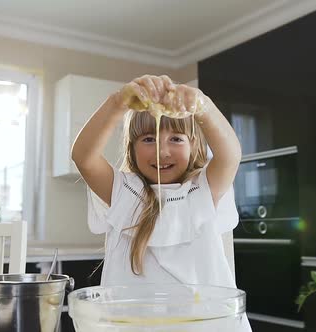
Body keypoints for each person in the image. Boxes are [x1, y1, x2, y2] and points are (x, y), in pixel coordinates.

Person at [72, 74, 251, 330]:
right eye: (148, 139)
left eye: (176, 139)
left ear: (194, 146)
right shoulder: (122, 192)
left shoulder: (202, 189)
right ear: (131, 148)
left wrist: (203, 106)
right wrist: (118, 102)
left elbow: (230, 154)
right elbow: (83, 156)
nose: (162, 151)